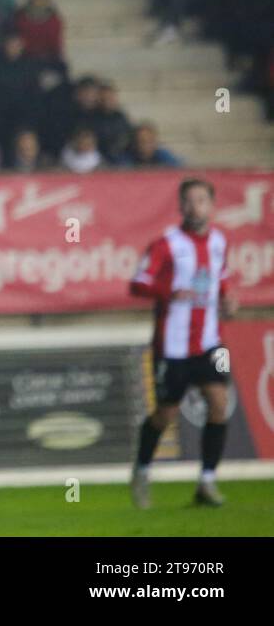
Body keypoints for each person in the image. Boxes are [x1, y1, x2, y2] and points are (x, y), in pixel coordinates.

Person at [128, 178, 238, 508]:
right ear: (180, 206)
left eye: (201, 200)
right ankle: (142, 470)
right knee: (166, 414)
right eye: (188, 201)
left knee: (219, 402)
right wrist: (169, 293)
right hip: (172, 345)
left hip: (211, 342)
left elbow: (222, 276)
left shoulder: (219, 241)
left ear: (212, 205)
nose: (194, 207)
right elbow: (138, 283)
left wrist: (229, 296)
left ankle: (207, 482)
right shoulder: (165, 244)